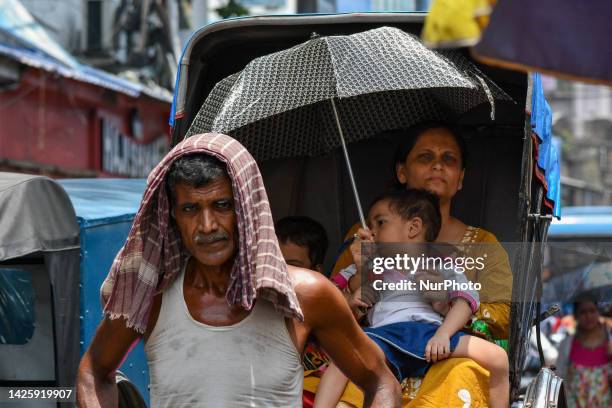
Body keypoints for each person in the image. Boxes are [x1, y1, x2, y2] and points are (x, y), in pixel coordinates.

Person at [76, 133, 400, 408]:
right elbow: (94, 371)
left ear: (245, 210)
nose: (207, 226)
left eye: (221, 206)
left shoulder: (305, 295)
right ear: (172, 216)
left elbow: (381, 382)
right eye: (190, 209)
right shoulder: (153, 295)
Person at [329, 122, 513, 406]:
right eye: (426, 157)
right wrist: (362, 282)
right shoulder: (368, 235)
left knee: (463, 373)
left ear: (461, 178)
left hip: (446, 352)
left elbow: (500, 319)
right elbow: (332, 307)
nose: (438, 166)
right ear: (402, 172)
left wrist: (444, 307)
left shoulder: (484, 244)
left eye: (448, 159)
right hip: (380, 344)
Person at [314, 189, 509, 408]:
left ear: (413, 228)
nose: (370, 232)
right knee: (342, 362)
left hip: (431, 335)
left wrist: (444, 334)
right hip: (383, 337)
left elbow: (465, 301)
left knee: (498, 357)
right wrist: (358, 279)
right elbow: (327, 296)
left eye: (380, 223)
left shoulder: (441, 266)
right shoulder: (366, 265)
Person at [556, 296, 611, 408]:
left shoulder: (609, 343)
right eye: (583, 312)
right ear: (576, 316)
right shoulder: (566, 345)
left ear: (598, 312)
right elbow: (559, 380)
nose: (588, 316)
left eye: (592, 311)